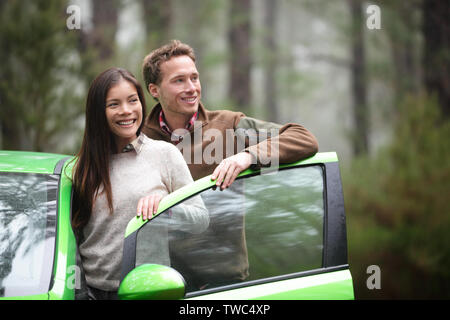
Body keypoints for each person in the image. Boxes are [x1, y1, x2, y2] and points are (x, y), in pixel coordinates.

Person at [141, 40, 319, 290]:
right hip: (161, 282)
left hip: (224, 282)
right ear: (154, 90)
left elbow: (303, 138)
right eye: (179, 80)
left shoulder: (228, 126)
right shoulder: (140, 140)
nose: (191, 87)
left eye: (194, 78)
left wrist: (247, 155)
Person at [71, 67, 208, 299]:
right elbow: (74, 236)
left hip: (148, 291)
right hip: (91, 294)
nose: (126, 111)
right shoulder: (80, 168)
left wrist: (167, 206)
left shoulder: (164, 154)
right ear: (98, 112)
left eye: (132, 101)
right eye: (114, 104)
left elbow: (201, 220)